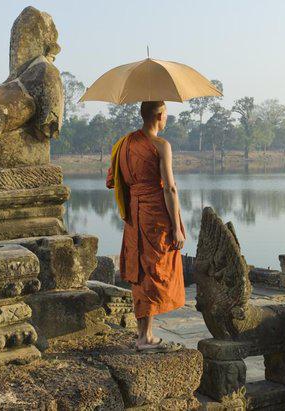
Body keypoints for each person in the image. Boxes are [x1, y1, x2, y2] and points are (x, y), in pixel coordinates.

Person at [106, 101, 185, 353]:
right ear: (160, 116)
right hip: (156, 215)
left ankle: (144, 334)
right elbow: (170, 188)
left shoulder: (124, 144)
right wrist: (177, 227)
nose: (166, 119)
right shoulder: (161, 145)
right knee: (154, 270)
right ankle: (145, 337)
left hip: (134, 215)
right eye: (166, 115)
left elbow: (111, 180)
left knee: (140, 270)